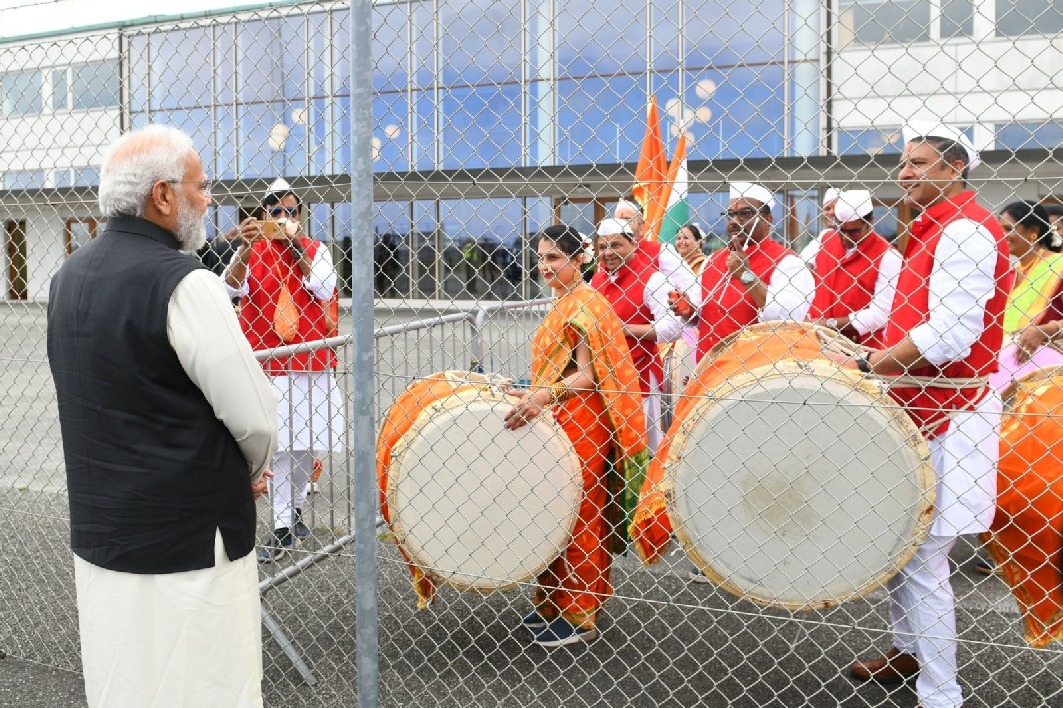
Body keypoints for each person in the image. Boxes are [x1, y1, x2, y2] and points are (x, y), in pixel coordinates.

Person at [47, 125, 278, 707]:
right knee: (207, 685)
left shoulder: (65, 278)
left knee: (123, 683)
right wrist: (247, 472)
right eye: (200, 186)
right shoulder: (187, 284)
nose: (209, 199)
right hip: (192, 542)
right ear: (164, 195)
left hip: (105, 536)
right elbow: (255, 419)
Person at [832, 122, 1010, 708]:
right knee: (902, 545)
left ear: (954, 168)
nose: (904, 172)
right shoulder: (934, 226)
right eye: (904, 162)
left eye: (919, 162)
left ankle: (941, 692)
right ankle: (908, 651)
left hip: (949, 414)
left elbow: (953, 335)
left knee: (924, 556)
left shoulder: (963, 230)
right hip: (922, 408)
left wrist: (871, 362)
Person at [504, 224, 649, 647]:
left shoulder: (587, 304)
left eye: (554, 257)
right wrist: (531, 392)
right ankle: (551, 602)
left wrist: (542, 395)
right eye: (540, 257)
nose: (544, 265)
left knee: (581, 511)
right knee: (553, 509)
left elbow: (587, 374)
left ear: (578, 259)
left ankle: (580, 611)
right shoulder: (564, 301)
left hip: (585, 420)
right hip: (558, 415)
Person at [223, 178, 343, 562]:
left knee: (306, 445)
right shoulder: (251, 250)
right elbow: (228, 290)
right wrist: (245, 247)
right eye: (276, 212)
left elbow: (322, 286)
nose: (283, 218)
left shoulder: (315, 249)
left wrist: (294, 245)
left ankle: (294, 512)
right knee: (279, 447)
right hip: (268, 365)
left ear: (300, 216)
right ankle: (281, 527)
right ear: (263, 214)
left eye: (290, 212)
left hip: (309, 363)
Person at [675, 182, 814, 363]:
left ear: (767, 220)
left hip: (758, 371)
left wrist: (745, 276)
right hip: (708, 370)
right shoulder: (712, 260)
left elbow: (787, 319)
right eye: (730, 214)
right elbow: (702, 313)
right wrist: (687, 309)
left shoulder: (788, 263)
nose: (734, 221)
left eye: (745, 214)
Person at [590, 217, 684, 453]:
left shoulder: (653, 278)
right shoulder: (598, 278)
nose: (608, 253)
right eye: (602, 247)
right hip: (604, 379)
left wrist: (623, 329)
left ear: (632, 244)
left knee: (643, 449)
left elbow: (673, 327)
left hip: (640, 378)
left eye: (616, 245)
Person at [801, 189, 902, 348]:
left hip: (858, 346)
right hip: (816, 339)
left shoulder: (888, 256)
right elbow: (801, 266)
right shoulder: (826, 238)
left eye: (854, 232)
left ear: (870, 222)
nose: (846, 237)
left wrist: (829, 323)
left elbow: (880, 314)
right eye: (841, 230)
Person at [988, 199, 1063, 392]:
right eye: (999, 229)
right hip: (1006, 373)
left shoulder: (1059, 266)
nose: (1001, 236)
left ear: (1033, 232)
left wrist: (1043, 331)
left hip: (1048, 375)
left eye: (1008, 228)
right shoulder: (1012, 274)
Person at [615, 197, 700, 304]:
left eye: (628, 220)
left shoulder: (661, 251)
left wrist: (685, 309)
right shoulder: (608, 257)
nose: (621, 225)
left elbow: (690, 284)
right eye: (616, 222)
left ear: (641, 228)